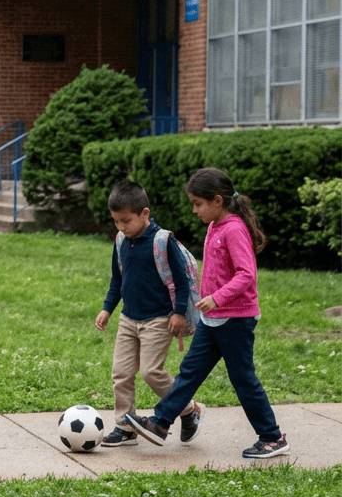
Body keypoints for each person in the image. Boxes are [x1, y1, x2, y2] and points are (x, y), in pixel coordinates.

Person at [125, 168, 288, 459]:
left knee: (243, 379)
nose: (194, 209)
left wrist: (217, 297)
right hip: (213, 319)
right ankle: (160, 423)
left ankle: (272, 437)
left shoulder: (234, 229)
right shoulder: (215, 226)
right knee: (189, 372)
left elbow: (246, 275)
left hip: (236, 319)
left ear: (216, 201)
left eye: (198, 203)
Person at [95, 180, 201, 447]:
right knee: (121, 373)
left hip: (158, 320)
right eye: (116, 221)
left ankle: (188, 409)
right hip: (128, 319)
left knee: (151, 372)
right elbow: (117, 280)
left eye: (126, 221)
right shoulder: (121, 240)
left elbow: (181, 281)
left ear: (145, 213)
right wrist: (108, 309)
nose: (120, 227)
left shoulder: (162, 241)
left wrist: (178, 314)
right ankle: (125, 426)